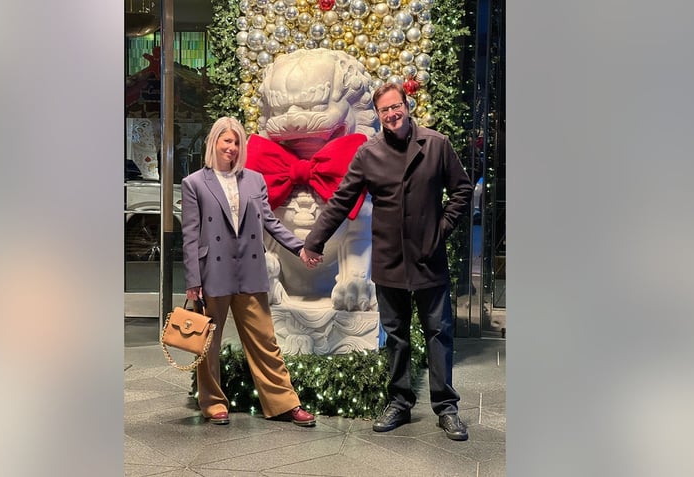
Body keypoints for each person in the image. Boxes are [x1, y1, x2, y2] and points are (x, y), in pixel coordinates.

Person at [301, 83, 474, 440]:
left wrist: (440, 230)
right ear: (378, 116)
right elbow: (340, 200)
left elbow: (461, 190)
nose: (392, 114)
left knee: (439, 332)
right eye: (384, 110)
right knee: (396, 336)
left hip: (429, 257)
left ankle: (447, 407)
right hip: (389, 259)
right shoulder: (368, 154)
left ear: (407, 106)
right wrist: (314, 241)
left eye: (396, 107)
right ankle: (399, 401)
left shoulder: (436, 144)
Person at [180, 116, 317, 427]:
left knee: (265, 340)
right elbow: (190, 235)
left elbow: (270, 222)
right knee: (208, 342)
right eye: (226, 140)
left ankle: (284, 402)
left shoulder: (255, 179)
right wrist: (192, 281)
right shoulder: (194, 184)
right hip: (212, 271)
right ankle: (213, 403)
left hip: (250, 269)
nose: (231, 147)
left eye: (237, 141)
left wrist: (300, 248)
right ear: (213, 142)